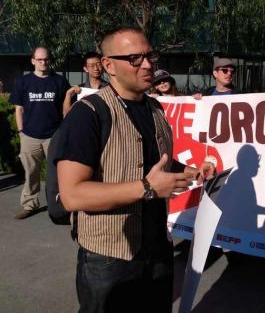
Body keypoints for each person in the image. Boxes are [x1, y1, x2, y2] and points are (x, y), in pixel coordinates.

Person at [55, 27, 215, 312]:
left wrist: (192, 172)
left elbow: (159, 164)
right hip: (109, 257)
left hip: (158, 249)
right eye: (134, 58)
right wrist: (147, 188)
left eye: (150, 56)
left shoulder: (156, 109)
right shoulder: (88, 114)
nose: (147, 64)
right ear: (108, 65)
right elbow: (72, 195)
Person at [9, 46, 70, 219]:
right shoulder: (23, 81)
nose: (43, 62)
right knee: (31, 173)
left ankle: (60, 206)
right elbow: (19, 109)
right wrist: (21, 132)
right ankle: (29, 205)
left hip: (54, 136)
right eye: (40, 59)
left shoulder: (59, 81)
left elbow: (67, 107)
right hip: (30, 136)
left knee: (57, 174)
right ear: (33, 61)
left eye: (46, 59)